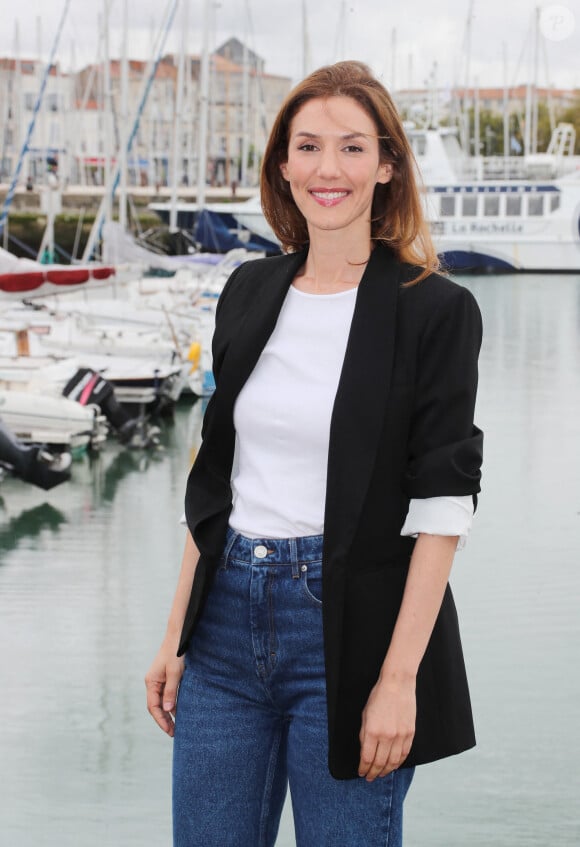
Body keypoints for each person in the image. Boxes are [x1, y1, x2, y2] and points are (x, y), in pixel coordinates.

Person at [146, 60, 483, 847]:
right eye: (307, 146)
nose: (327, 168)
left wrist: (398, 681)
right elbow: (215, 478)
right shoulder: (249, 288)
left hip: (352, 637)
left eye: (353, 147)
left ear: (388, 165)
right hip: (224, 626)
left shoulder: (434, 309)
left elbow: (442, 508)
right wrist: (175, 635)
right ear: (283, 164)